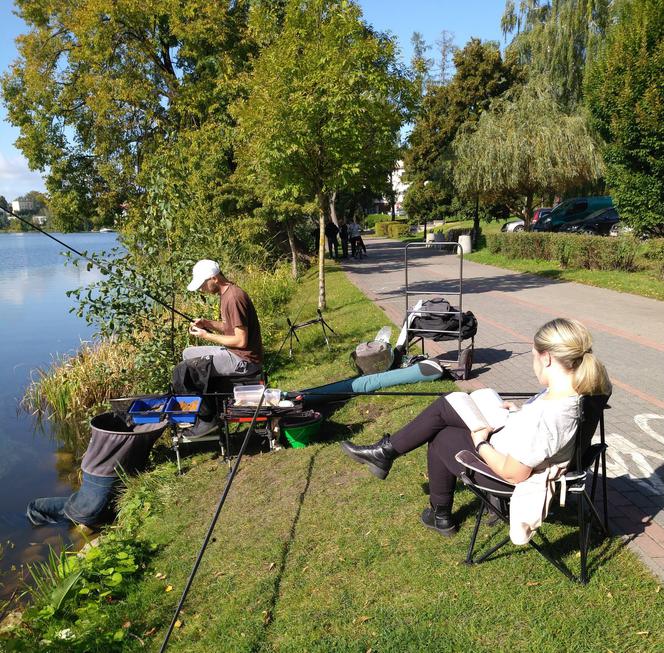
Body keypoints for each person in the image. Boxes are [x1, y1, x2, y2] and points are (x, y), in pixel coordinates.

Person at [340, 318, 611, 538]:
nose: (534, 364)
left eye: (534, 358)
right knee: (464, 402)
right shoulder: (577, 394)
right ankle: (400, 470)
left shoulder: (548, 417)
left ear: (548, 359)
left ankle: (422, 494)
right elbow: (544, 431)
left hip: (503, 472)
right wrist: (520, 411)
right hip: (514, 437)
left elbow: (514, 473)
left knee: (443, 427)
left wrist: (480, 442)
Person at [181, 259, 263, 436]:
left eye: (203, 284)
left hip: (245, 360)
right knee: (187, 354)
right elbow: (230, 327)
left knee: (186, 369)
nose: (201, 289)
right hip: (235, 353)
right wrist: (207, 323)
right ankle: (208, 412)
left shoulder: (233, 298)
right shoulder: (227, 293)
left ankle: (206, 420)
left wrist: (206, 335)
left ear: (214, 278)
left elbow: (241, 341)